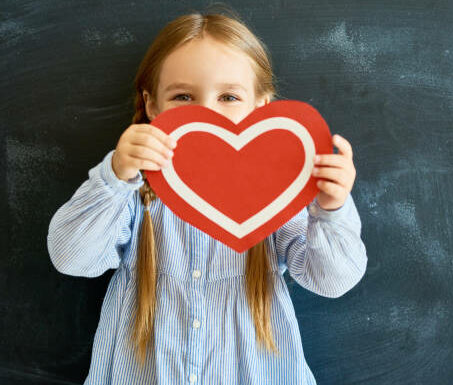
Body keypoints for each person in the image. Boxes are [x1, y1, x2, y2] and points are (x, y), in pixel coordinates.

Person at [47, 7, 367, 385]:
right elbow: (72, 258)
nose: (205, 113)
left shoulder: (278, 191)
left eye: (229, 97)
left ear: (261, 108)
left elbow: (331, 282)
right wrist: (116, 176)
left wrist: (329, 210)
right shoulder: (133, 185)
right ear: (152, 106)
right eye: (183, 95)